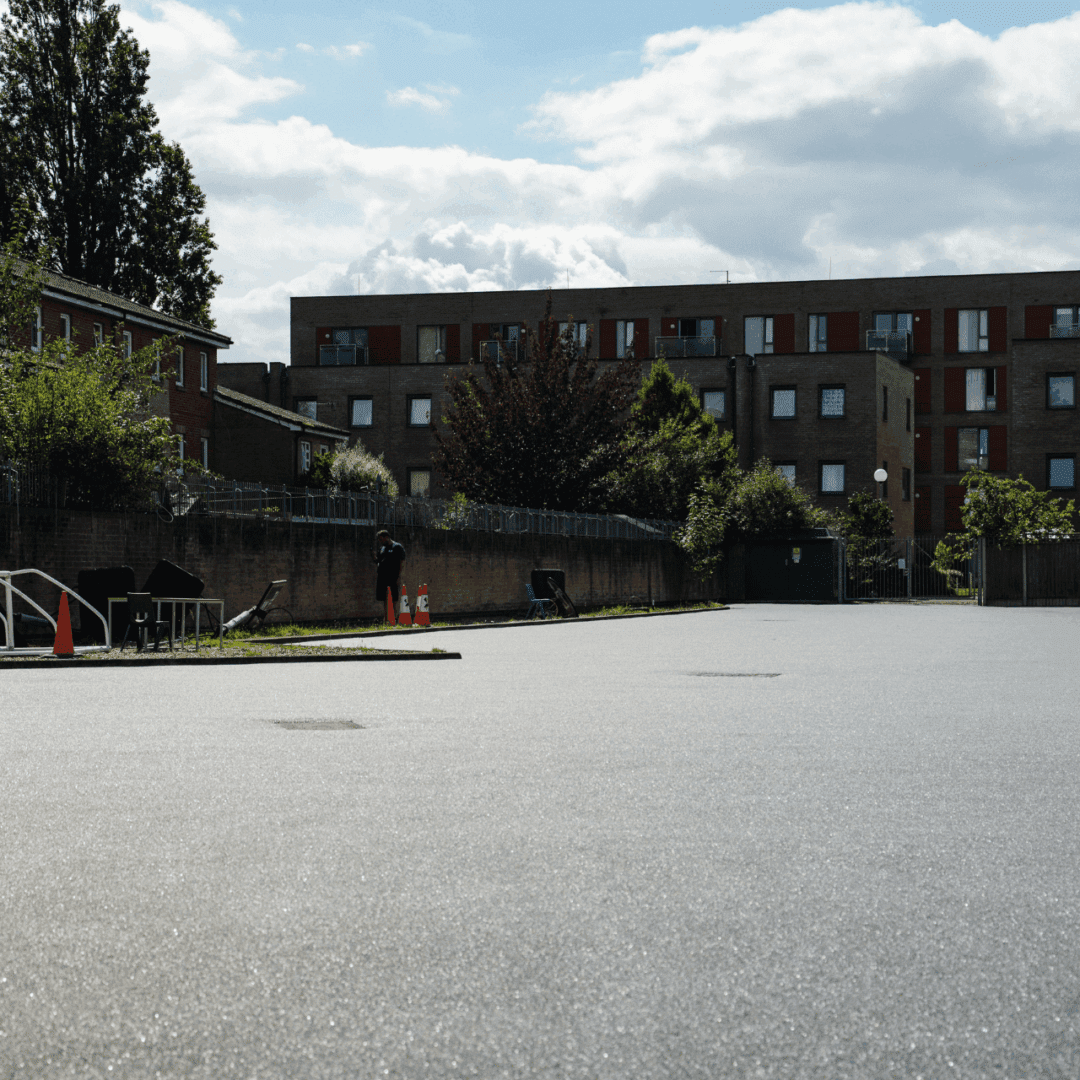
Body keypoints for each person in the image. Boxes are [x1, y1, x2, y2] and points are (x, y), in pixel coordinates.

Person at [373, 529, 406, 618]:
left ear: (386, 537)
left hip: (393, 577)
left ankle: (393, 618)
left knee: (393, 598)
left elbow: (402, 562)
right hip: (382, 577)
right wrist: (374, 557)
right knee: (384, 598)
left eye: (381, 539)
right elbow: (378, 561)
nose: (380, 542)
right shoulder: (382, 549)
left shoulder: (397, 547)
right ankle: (386, 618)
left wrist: (399, 576)